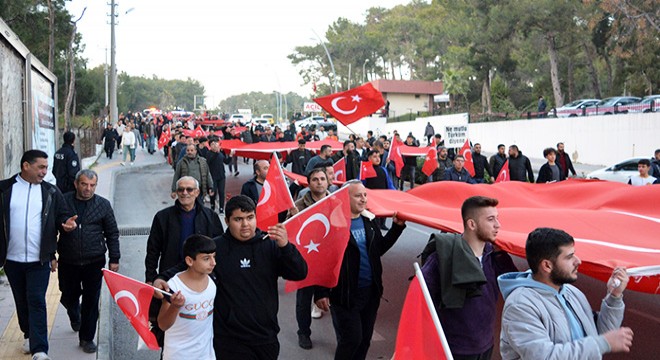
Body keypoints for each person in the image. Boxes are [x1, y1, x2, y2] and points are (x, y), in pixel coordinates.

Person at [154, 195, 308, 359]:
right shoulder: (216, 248)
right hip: (229, 340)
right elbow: (185, 267)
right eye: (238, 219)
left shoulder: (270, 244)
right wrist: (160, 278)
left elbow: (299, 273)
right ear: (227, 221)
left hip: (266, 336)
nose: (245, 224)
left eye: (250, 217)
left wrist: (285, 247)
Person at [498, 227, 633, 359]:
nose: (578, 261)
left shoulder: (572, 292)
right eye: (569, 257)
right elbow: (544, 356)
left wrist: (614, 296)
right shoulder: (520, 305)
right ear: (547, 266)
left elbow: (600, 335)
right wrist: (603, 343)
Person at [315, 181, 406, 360]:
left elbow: (378, 249)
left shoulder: (369, 221)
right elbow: (322, 261)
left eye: (365, 195)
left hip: (370, 293)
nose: (363, 199)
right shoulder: (333, 224)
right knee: (351, 340)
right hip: (345, 295)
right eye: (358, 195)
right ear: (344, 198)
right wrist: (320, 292)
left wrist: (396, 228)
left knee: (364, 340)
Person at [0, 150, 77, 360]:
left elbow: (62, 214)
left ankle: (40, 349)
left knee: (36, 299)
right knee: (21, 301)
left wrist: (66, 224)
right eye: (41, 167)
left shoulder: (50, 192)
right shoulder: (5, 189)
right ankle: (27, 333)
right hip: (11, 260)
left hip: (39, 259)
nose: (45, 171)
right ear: (26, 166)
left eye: (46, 167)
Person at [422, 196, 517, 359]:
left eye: (497, 218)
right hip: (455, 349)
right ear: (471, 224)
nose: (498, 225)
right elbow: (420, 297)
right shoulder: (443, 257)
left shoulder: (493, 254)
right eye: (490, 219)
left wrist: (501, 254)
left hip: (486, 343)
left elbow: (514, 285)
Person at [146, 176, 224, 346]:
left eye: (189, 189)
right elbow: (152, 251)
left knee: (201, 323)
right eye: (180, 189)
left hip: (202, 282)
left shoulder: (210, 216)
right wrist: (151, 279)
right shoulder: (162, 217)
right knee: (167, 329)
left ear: (197, 192)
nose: (184, 193)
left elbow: (219, 249)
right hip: (172, 281)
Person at [57, 169, 120, 353]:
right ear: (76, 184)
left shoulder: (103, 205)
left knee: (91, 301)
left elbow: (112, 233)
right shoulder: (63, 201)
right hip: (68, 260)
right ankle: (74, 313)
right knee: (67, 295)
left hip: (94, 260)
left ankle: (87, 337)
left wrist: (114, 258)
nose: (88, 189)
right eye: (84, 184)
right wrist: (63, 228)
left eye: (92, 185)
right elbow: (52, 225)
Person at [287, 168, 332, 350]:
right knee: (303, 300)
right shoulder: (298, 205)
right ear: (309, 183)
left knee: (331, 297)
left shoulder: (336, 203)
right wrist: (293, 216)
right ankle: (303, 332)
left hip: (329, 260)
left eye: (322, 179)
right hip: (305, 261)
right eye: (315, 179)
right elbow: (289, 232)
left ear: (328, 181)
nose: (319, 182)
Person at [158, 235, 217, 360]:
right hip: (178, 355)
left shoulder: (212, 280)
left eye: (214, 256)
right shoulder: (174, 286)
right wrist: (175, 306)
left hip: (206, 355)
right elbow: (163, 324)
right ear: (189, 261)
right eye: (206, 259)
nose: (213, 263)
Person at [206, 139, 232, 213]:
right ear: (210, 146)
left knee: (221, 192)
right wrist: (216, 153)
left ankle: (221, 208)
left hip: (221, 176)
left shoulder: (221, 153)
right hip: (212, 176)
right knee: (213, 192)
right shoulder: (209, 153)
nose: (215, 145)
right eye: (213, 144)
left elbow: (226, 161)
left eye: (216, 144)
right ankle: (212, 204)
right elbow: (209, 161)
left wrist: (230, 156)